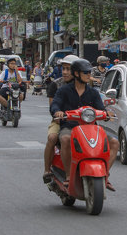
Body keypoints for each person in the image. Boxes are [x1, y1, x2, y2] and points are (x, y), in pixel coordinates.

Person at [50, 59, 118, 188]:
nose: (88, 75)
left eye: (89, 72)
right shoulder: (64, 90)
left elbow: (100, 108)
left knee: (114, 142)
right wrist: (57, 111)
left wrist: (106, 113)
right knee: (65, 139)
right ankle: (69, 175)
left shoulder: (93, 92)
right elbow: (55, 103)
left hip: (91, 129)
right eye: (85, 72)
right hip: (70, 126)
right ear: (76, 74)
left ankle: (105, 174)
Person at [43, 55, 76, 182]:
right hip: (61, 121)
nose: (65, 72)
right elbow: (53, 107)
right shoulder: (56, 85)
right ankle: (47, 170)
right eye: (64, 69)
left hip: (80, 122)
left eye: (69, 69)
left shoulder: (83, 84)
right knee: (53, 138)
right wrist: (57, 115)